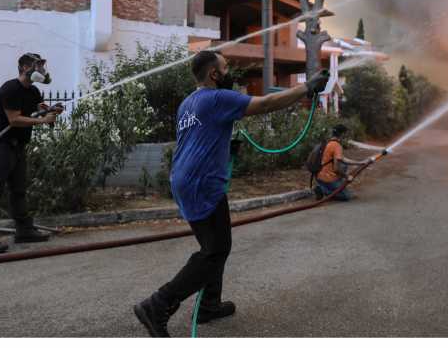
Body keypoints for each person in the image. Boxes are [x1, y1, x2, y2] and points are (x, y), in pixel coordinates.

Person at [134, 50, 329, 337]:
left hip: (184, 180)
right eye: (226, 68)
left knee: (214, 245)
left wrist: (225, 147)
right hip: (203, 183)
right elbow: (267, 103)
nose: (230, 73)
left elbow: (199, 137)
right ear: (214, 74)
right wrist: (307, 87)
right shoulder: (217, 98)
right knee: (215, 250)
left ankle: (209, 304)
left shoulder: (189, 103)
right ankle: (158, 304)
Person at [0, 53, 63, 254]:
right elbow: (14, 119)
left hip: (18, 146)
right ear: (24, 67)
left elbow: (38, 108)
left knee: (19, 190)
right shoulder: (10, 89)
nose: (41, 69)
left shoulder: (32, 91)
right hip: (1, 146)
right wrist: (43, 120)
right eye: (37, 65)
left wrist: (51, 110)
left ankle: (24, 230)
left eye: (42, 65)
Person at [314, 124, 369, 201]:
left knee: (343, 164)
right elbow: (336, 169)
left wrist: (360, 163)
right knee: (346, 196)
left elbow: (343, 159)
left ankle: (324, 187)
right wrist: (347, 177)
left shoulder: (328, 143)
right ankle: (323, 190)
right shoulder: (337, 146)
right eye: (345, 134)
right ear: (342, 134)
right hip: (328, 179)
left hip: (319, 177)